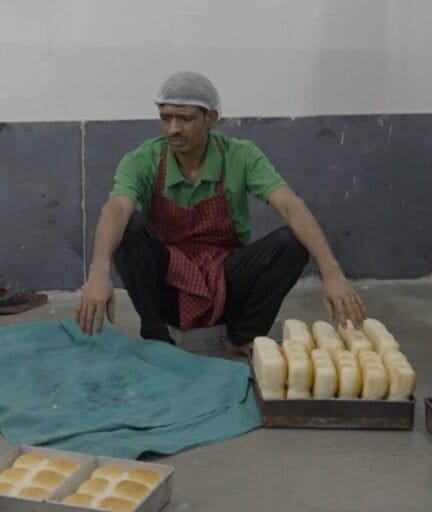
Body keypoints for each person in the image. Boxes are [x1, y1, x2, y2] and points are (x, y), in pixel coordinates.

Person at [76, 71, 366, 354]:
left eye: (186, 119)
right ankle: (156, 339)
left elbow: (290, 205)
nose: (173, 129)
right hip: (167, 286)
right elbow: (116, 208)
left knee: (292, 243)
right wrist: (99, 270)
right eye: (166, 118)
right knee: (129, 227)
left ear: (212, 118)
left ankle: (243, 336)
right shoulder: (143, 160)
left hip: (224, 282)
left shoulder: (240, 155)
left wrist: (331, 271)